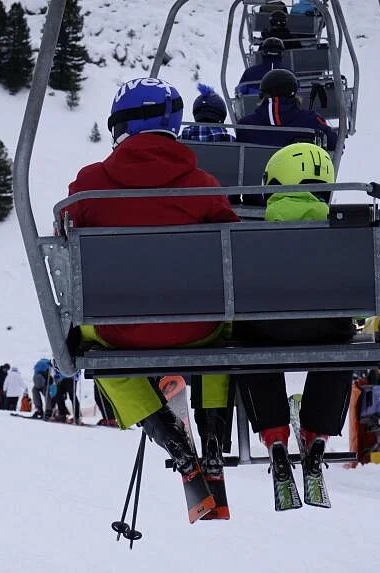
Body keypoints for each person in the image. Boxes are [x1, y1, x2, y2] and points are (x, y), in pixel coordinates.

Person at [63, 76, 239, 500]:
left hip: (118, 330)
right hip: (198, 329)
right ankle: (213, 433)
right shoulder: (203, 186)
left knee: (94, 343)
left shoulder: (88, 185)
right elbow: (234, 249)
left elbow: (66, 238)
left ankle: (168, 436)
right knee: (226, 333)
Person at [232, 143, 354, 494]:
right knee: (340, 349)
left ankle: (274, 436)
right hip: (327, 330)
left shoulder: (250, 234)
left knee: (252, 350)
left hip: (266, 332)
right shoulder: (346, 236)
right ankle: (318, 433)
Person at [236, 69, 338, 151]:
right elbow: (334, 143)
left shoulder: (245, 125)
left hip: (257, 176)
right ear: (295, 95)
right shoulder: (312, 121)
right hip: (302, 175)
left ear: (263, 95)